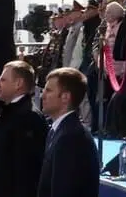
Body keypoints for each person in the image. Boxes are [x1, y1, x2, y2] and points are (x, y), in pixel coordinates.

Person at [0, 61, 47, 197]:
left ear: (18, 84)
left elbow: (26, 173)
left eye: (3, 80)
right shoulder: (8, 113)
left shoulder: (28, 118)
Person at [39, 66, 100, 197]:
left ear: (65, 97)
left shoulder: (70, 137)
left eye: (48, 91)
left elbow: (64, 189)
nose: (42, 95)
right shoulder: (58, 131)